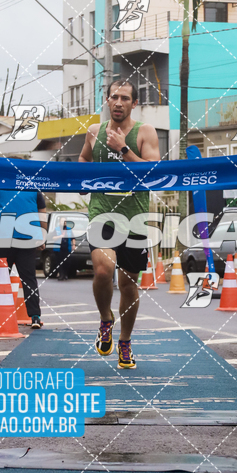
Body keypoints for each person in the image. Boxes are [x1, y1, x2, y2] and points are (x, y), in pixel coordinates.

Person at [79, 79, 160, 369]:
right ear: (107, 100)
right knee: (104, 269)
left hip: (135, 218)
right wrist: (82, 181)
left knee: (128, 285)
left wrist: (123, 148)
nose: (118, 102)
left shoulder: (145, 132)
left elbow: (152, 173)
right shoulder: (93, 132)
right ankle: (105, 319)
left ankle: (124, 341)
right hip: (102, 214)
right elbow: (83, 159)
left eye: (124, 98)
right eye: (113, 97)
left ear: (133, 103)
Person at [0, 188, 47, 330]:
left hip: (4, 236)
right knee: (29, 278)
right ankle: (35, 316)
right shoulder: (34, 189)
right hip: (27, 237)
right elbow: (42, 213)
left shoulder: (1, 187)